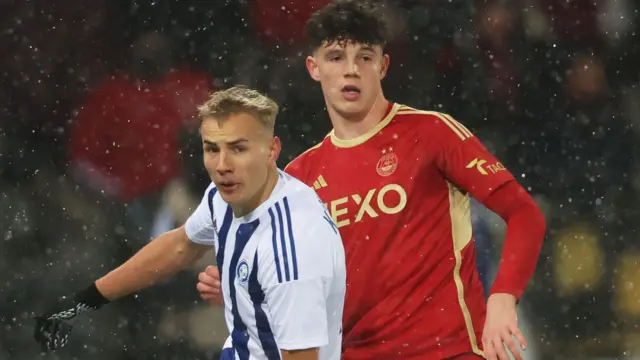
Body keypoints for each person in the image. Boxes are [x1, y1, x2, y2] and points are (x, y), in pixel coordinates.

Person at [196, 1, 547, 360]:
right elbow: (295, 281)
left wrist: (503, 300)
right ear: (313, 68)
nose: (351, 70)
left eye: (364, 57)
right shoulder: (299, 177)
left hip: (450, 352)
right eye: (335, 57)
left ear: (383, 65)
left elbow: (524, 214)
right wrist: (246, 292)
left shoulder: (432, 133)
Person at [33, 86, 347, 360]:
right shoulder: (222, 195)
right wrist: (86, 300)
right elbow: (180, 245)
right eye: (212, 149)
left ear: (271, 150)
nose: (221, 165)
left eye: (238, 149)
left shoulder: (291, 242)